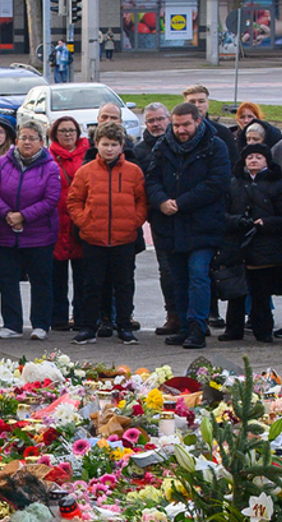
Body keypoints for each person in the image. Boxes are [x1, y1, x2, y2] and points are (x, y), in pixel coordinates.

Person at [146, 101, 232, 349]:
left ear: (198, 121)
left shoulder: (215, 146)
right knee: (178, 278)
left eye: (186, 125)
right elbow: (151, 179)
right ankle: (184, 326)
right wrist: (161, 201)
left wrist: (181, 203)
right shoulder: (163, 146)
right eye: (176, 125)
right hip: (170, 225)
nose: (181, 130)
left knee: (198, 276)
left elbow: (218, 183)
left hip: (202, 225)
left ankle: (197, 327)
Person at [68, 122, 148, 345]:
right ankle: (88, 327)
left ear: (122, 146)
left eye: (114, 144)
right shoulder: (86, 171)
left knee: (123, 285)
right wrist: (85, 222)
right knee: (92, 285)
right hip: (94, 238)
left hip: (124, 238)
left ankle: (124, 326)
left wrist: (134, 221)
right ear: (97, 145)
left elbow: (142, 200)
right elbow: (74, 200)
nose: (109, 149)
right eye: (105, 144)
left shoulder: (133, 171)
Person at [0, 119, 61, 341]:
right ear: (17, 140)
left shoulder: (50, 167)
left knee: (41, 281)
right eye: (24, 137)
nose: (27, 142)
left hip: (39, 235)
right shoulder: (2, 163)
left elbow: (51, 199)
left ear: (41, 142)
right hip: (4, 233)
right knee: (6, 280)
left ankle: (40, 324)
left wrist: (23, 216)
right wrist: (8, 214)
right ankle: (12, 324)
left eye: (33, 138)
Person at [219, 143, 282, 343]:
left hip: (265, 245)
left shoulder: (277, 184)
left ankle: (263, 330)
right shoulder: (233, 183)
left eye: (259, 157)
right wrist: (238, 221)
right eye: (250, 157)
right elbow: (222, 215)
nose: (254, 160)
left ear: (267, 161)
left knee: (261, 292)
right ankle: (233, 329)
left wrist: (265, 223)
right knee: (236, 291)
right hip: (238, 244)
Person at [133, 103, 182, 336]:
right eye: (151, 120)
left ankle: (193, 316)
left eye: (160, 119)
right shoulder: (139, 150)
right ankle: (172, 315)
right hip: (160, 218)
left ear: (169, 119)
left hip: (187, 215)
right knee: (168, 271)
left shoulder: (180, 144)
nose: (156, 124)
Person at [48, 116, 88, 331]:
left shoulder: (88, 155)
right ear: (55, 134)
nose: (68, 134)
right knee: (57, 277)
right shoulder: (47, 156)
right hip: (56, 222)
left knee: (83, 276)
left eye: (71, 130)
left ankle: (82, 317)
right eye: (63, 131)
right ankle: (58, 318)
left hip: (81, 222)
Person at [182, 84, 238, 164]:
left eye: (201, 101)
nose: (197, 105)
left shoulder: (222, 132)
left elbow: (234, 163)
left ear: (208, 103)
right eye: (192, 102)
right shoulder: (177, 132)